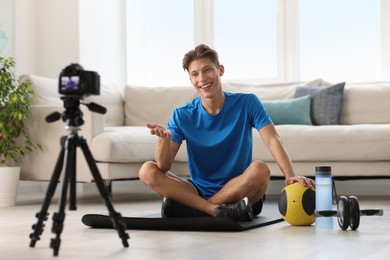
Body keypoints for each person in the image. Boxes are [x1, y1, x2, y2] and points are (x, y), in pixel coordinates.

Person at [139, 44, 315, 221]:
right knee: (147, 170)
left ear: (220, 70)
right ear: (191, 80)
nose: (202, 79)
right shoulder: (182, 114)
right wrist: (162, 141)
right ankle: (217, 210)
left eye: (207, 70)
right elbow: (163, 167)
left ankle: (198, 208)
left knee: (260, 170)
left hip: (240, 188)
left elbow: (273, 140)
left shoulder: (248, 103)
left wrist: (290, 175)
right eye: (194, 74)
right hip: (197, 190)